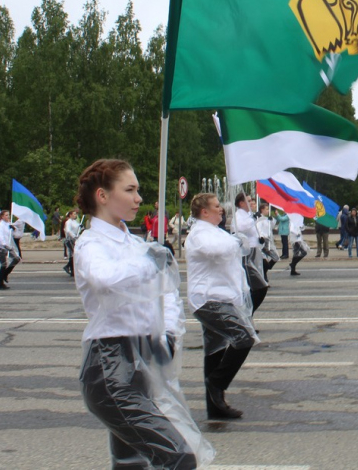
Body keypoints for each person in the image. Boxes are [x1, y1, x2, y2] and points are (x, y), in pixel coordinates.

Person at [73, 159, 211, 467]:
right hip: (111, 367)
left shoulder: (135, 244)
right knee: (180, 457)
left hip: (144, 360)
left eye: (138, 190)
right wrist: (149, 261)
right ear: (103, 196)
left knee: (131, 464)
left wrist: (171, 332)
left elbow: (167, 293)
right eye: (130, 190)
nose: (138, 198)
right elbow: (105, 279)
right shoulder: (90, 244)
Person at [185, 191, 259, 422]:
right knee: (244, 338)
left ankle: (215, 407)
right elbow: (214, 250)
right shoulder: (199, 233)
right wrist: (234, 241)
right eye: (216, 206)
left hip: (221, 297)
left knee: (215, 351)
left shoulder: (214, 232)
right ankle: (216, 384)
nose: (221, 209)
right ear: (204, 212)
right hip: (208, 300)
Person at [233, 193, 268, 314]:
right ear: (241, 203)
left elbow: (254, 231)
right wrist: (252, 219)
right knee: (257, 286)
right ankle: (246, 314)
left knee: (255, 286)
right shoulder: (238, 215)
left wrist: (260, 238)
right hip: (246, 254)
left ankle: (248, 315)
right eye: (248, 201)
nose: (251, 202)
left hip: (254, 249)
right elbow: (240, 228)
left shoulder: (248, 215)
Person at [0, 211, 21, 290]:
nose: (7, 216)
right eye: (6, 215)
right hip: (0, 247)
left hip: (8, 246)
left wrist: (13, 229)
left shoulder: (8, 224)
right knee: (3, 264)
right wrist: (5, 244)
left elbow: (15, 234)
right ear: (2, 216)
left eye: (8, 215)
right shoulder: (0, 225)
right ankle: (0, 284)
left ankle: (5, 274)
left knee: (17, 259)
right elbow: (0, 236)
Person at [62, 210, 81, 278]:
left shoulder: (75, 222)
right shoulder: (68, 222)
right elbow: (68, 230)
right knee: (74, 253)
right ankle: (69, 267)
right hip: (70, 240)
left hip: (74, 239)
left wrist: (81, 227)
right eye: (74, 214)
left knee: (73, 254)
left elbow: (78, 228)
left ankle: (71, 269)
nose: (75, 215)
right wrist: (74, 236)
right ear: (70, 215)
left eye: (76, 214)